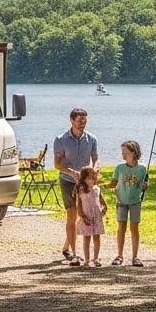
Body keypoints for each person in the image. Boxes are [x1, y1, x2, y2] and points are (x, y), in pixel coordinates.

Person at [53, 107, 99, 266]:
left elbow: (95, 159)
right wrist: (72, 172)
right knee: (72, 215)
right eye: (80, 121)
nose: (82, 124)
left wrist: (95, 170)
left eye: (85, 121)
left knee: (82, 215)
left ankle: (66, 247)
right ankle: (73, 253)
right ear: (72, 120)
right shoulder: (60, 140)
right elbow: (57, 164)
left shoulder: (92, 139)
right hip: (67, 181)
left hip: (84, 182)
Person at [107, 139, 149, 267]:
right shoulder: (119, 168)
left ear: (133, 152)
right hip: (121, 202)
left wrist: (145, 186)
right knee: (121, 228)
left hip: (135, 202)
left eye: (125, 152)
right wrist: (105, 184)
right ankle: (119, 256)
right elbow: (113, 183)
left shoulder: (142, 169)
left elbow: (145, 183)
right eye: (122, 152)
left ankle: (135, 257)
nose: (123, 154)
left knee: (134, 229)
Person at [75, 166, 107, 267]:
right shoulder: (81, 190)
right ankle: (87, 260)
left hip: (96, 218)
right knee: (87, 239)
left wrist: (105, 208)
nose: (91, 180)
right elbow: (79, 206)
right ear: (84, 179)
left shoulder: (97, 189)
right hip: (86, 218)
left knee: (97, 238)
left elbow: (102, 201)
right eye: (89, 178)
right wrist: (83, 217)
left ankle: (95, 258)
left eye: (93, 178)